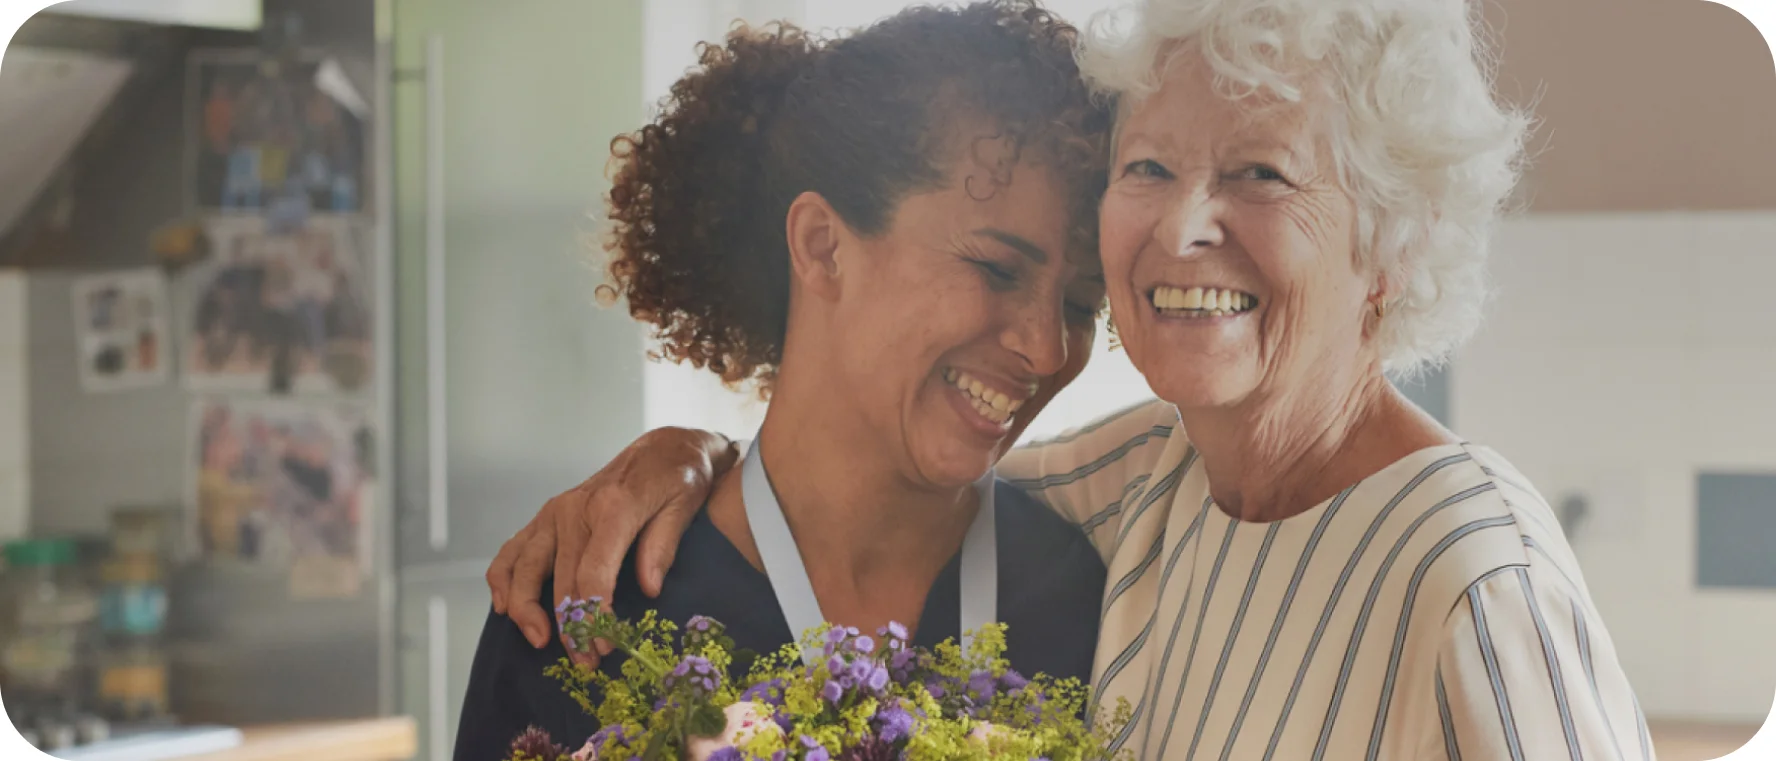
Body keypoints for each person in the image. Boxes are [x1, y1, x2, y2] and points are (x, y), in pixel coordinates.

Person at [486, 0, 1654, 758]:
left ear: (1394, 248)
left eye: (1261, 171)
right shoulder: (1140, 490)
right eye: (1149, 165)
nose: (1047, 351)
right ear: (819, 245)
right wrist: (682, 452)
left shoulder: (1475, 573)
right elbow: (864, 476)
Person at [452, 4, 1114, 759]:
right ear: (823, 246)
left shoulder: (1096, 604)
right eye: (996, 268)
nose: (1044, 346)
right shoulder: (590, 610)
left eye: (1080, 304)